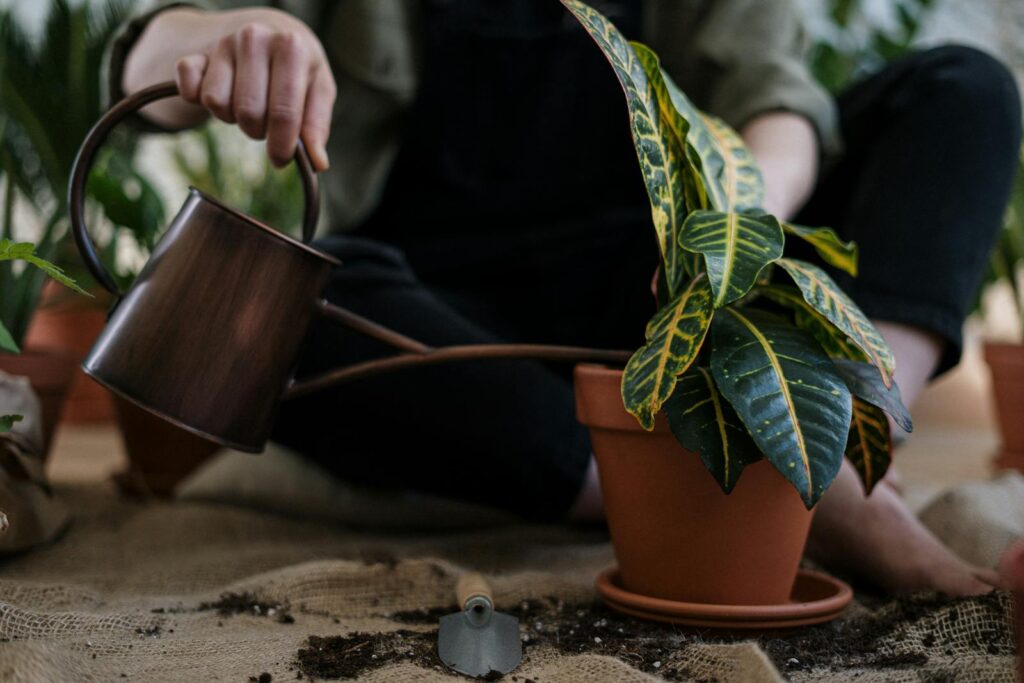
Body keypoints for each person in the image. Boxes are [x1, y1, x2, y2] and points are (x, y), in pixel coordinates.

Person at [111, 0, 1021, 596]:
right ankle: (734, 481)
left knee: (963, 91)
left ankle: (857, 446)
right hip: (448, 310)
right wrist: (231, 38)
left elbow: (777, 100)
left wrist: (735, 223)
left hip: (670, 293)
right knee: (285, 314)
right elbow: (146, 67)